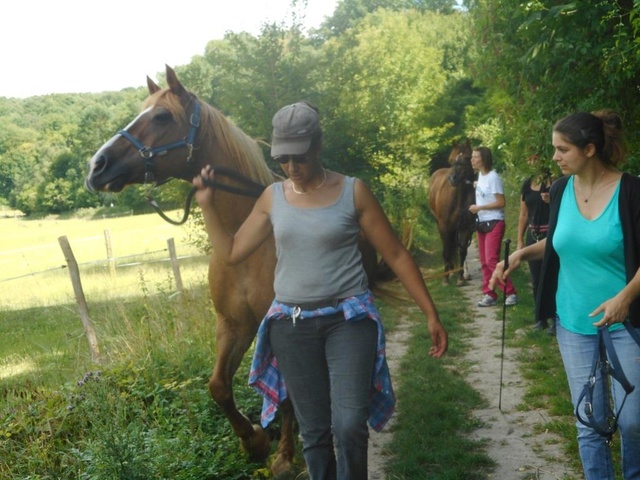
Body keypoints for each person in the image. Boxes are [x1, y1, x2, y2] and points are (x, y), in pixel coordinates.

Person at [192, 101, 448, 480]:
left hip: (348, 320)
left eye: (300, 158)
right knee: (313, 433)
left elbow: (394, 253)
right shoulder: (272, 198)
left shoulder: (353, 192)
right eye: (283, 159)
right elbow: (230, 251)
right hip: (292, 328)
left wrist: (431, 313)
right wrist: (207, 207)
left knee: (347, 425)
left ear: (318, 146)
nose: (292, 168)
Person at [490, 110, 640, 480]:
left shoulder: (632, 190)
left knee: (634, 421)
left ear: (589, 149)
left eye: (562, 149)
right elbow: (561, 241)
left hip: (626, 322)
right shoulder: (559, 190)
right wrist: (522, 253)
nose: (555, 157)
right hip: (573, 322)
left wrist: (625, 297)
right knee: (590, 419)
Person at [468, 146, 518, 307]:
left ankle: (510, 292)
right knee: (483, 261)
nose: (472, 160)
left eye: (475, 157)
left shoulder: (493, 177)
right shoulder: (481, 176)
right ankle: (489, 294)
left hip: (494, 221)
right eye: (472, 157)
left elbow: (501, 202)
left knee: (491, 260)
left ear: (484, 159)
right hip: (482, 223)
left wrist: (479, 208)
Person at [517, 155, 554, 333]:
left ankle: (555, 318)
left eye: (536, 158)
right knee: (536, 278)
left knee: (553, 275)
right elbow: (523, 215)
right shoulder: (526, 184)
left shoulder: (556, 181)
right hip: (533, 233)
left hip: (551, 233)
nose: (532, 162)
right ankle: (540, 318)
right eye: (530, 159)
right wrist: (519, 239)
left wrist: (551, 200)